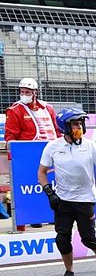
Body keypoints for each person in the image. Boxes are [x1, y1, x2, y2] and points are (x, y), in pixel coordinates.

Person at [37, 108, 96, 276]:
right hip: (63, 200)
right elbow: (41, 173)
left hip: (85, 199)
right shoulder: (53, 146)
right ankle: (69, 271)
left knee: (88, 238)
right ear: (65, 127)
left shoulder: (90, 145)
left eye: (80, 123)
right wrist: (50, 194)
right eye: (75, 123)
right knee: (62, 238)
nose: (79, 126)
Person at [4, 78, 61, 230]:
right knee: (31, 186)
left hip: (52, 153)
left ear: (35, 92)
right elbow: (10, 137)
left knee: (54, 185)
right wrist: (13, 153)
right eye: (22, 92)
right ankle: (33, 217)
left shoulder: (47, 108)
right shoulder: (15, 110)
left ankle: (53, 214)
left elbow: (57, 130)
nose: (24, 94)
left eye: (27, 92)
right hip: (29, 156)